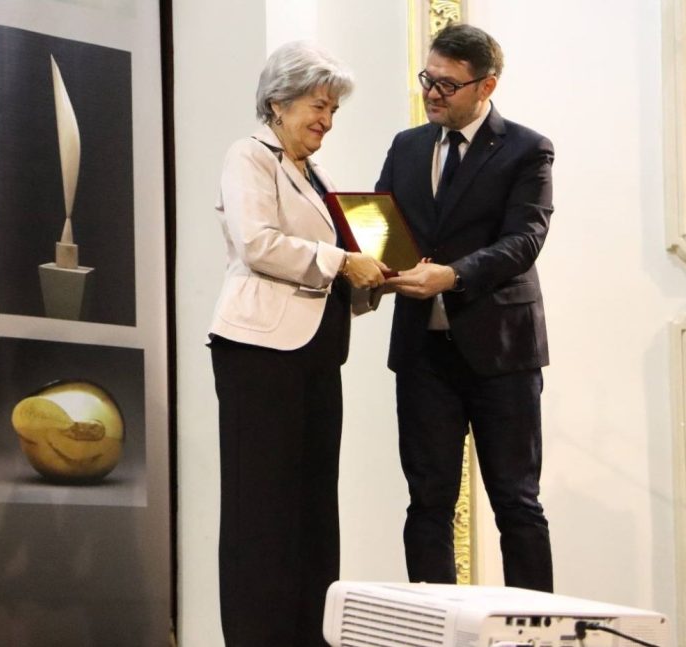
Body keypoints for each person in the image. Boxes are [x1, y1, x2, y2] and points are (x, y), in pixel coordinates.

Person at [208, 42, 386, 646]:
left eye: (333, 109)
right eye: (318, 106)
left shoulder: (319, 176)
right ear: (279, 103)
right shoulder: (249, 155)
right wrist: (343, 262)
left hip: (316, 354)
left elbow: (344, 259)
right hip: (259, 355)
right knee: (260, 511)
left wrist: (380, 275)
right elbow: (257, 242)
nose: (327, 121)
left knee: (313, 510)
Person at [377, 23, 554, 593]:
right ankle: (434, 626)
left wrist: (452, 276)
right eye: (428, 79)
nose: (432, 93)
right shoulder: (407, 146)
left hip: (502, 350)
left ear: (486, 86)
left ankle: (535, 627)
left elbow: (524, 240)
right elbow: (383, 224)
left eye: (448, 85)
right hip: (423, 352)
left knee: (516, 502)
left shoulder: (527, 149)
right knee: (427, 501)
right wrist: (373, 263)